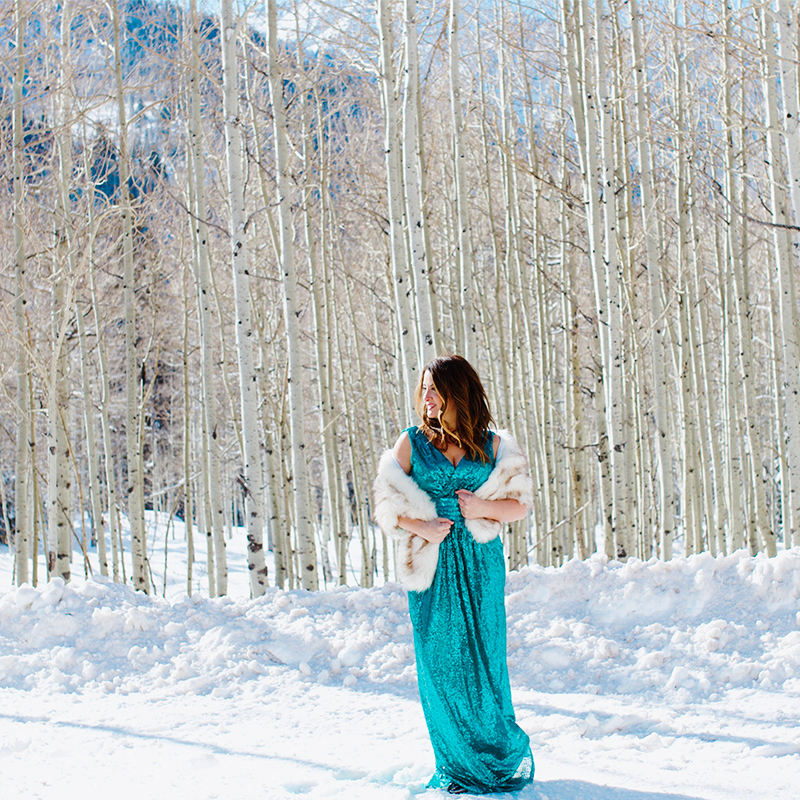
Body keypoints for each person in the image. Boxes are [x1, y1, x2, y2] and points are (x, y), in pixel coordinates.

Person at [373, 355, 534, 794]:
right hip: (434, 566)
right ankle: (457, 766)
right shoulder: (411, 443)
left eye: (432, 389)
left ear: (456, 393)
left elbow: (520, 503)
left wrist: (482, 508)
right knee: (441, 665)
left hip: (481, 566)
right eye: (422, 388)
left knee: (484, 663)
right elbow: (385, 504)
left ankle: (495, 760)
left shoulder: (496, 444)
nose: (424, 397)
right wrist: (420, 525)